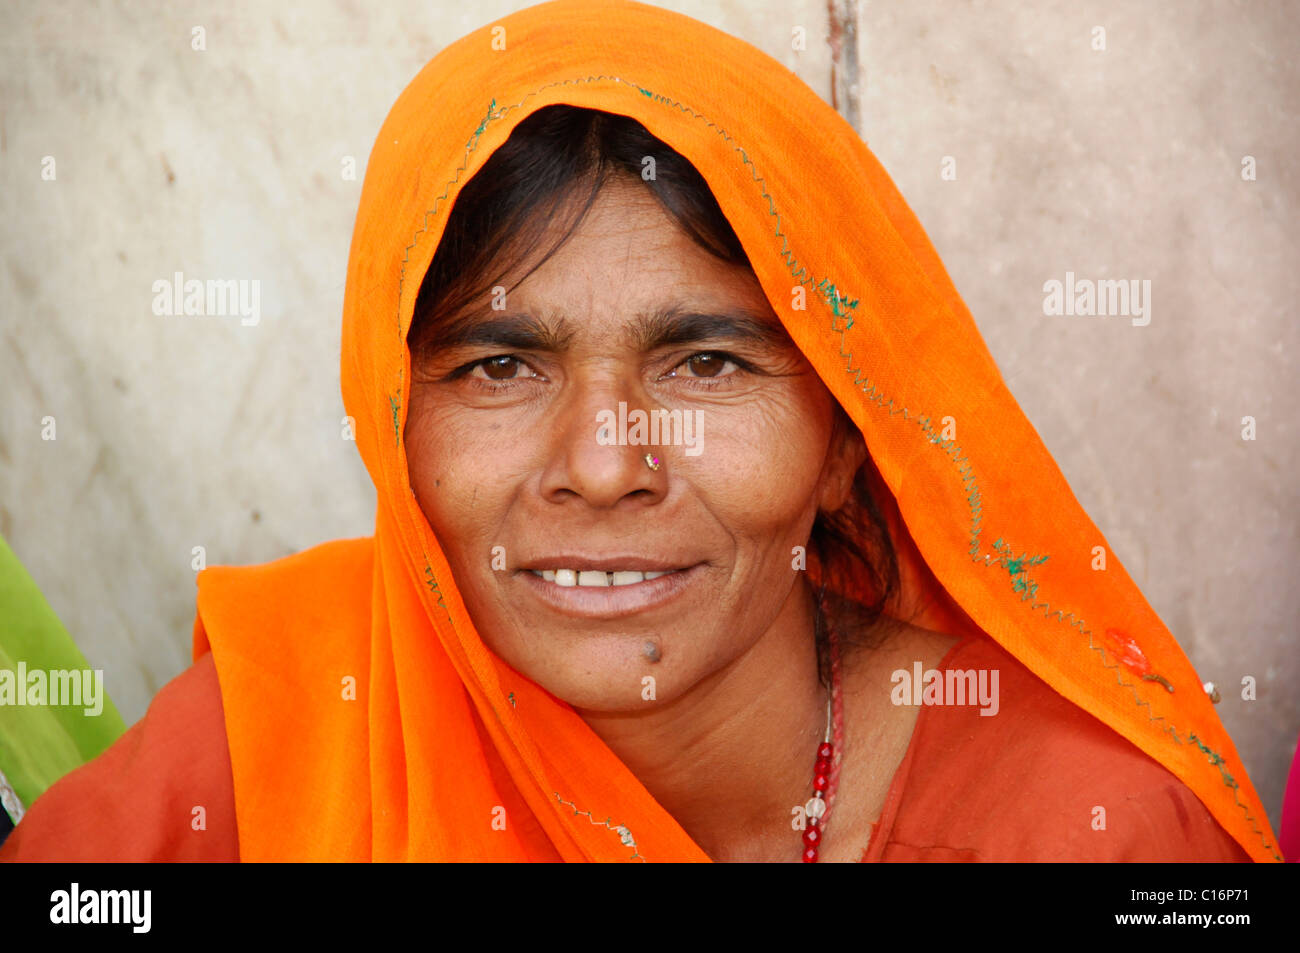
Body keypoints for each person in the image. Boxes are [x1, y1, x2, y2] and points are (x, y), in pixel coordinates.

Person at [0, 0, 1279, 862]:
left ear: (845, 438)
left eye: (708, 362)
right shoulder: (283, 723)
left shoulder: (1083, 825)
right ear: (394, 421)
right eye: (500, 365)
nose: (605, 462)